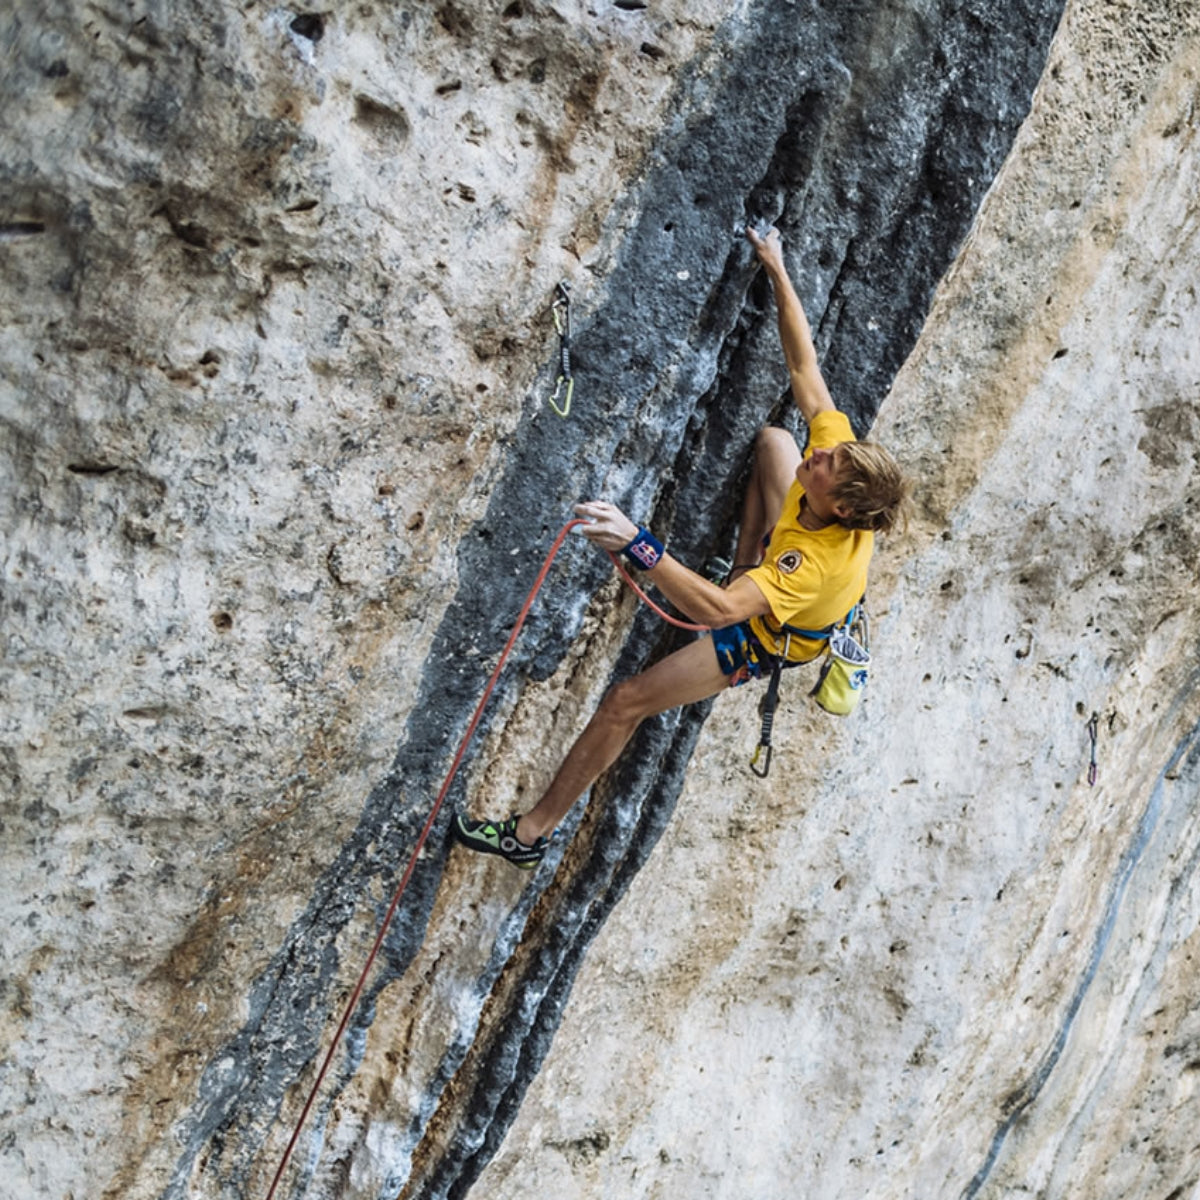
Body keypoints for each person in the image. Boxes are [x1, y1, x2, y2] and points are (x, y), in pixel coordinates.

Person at [454, 226, 908, 869]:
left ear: (842, 507)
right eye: (832, 450)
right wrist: (776, 267)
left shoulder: (809, 564)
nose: (825, 451)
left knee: (625, 701)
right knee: (777, 441)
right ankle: (746, 560)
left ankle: (531, 835)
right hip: (777, 576)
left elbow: (722, 613)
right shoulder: (835, 479)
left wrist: (637, 544)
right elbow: (806, 368)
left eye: (830, 463)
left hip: (768, 634)